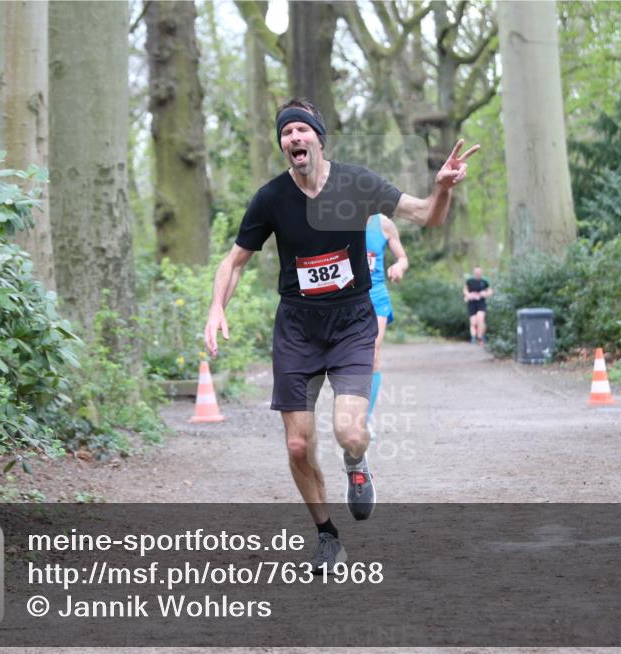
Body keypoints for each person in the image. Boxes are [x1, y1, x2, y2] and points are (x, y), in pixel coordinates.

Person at [203, 98, 478, 571]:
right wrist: (215, 308)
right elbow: (234, 261)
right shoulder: (271, 199)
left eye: (301, 130)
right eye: (286, 133)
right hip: (297, 328)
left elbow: (426, 215)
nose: (294, 138)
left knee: (350, 431)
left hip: (352, 322)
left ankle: (356, 463)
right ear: (283, 145)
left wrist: (442, 188)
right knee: (296, 443)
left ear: (318, 136)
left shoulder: (356, 182)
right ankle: (327, 535)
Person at [365, 213, 408, 434]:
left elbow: (402, 257)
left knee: (372, 352)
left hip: (376, 295)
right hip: (346, 296)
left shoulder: (383, 223)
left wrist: (399, 267)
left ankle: (365, 419)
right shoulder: (334, 221)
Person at [463, 267, 492, 346]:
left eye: (479, 272)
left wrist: (485, 294)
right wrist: (468, 295)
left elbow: (490, 291)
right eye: (476, 272)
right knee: (473, 322)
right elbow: (465, 290)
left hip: (481, 303)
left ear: (481, 272)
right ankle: (474, 337)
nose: (478, 273)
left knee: (480, 319)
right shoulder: (469, 281)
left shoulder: (484, 281)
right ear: (474, 272)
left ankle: (480, 337)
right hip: (472, 303)